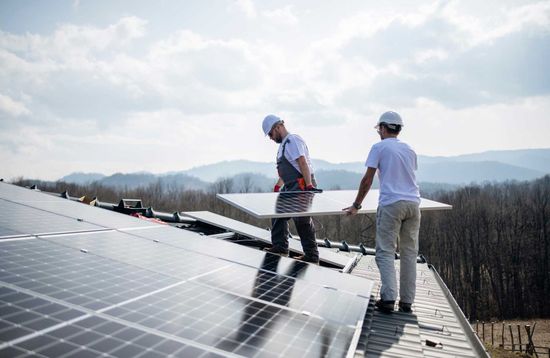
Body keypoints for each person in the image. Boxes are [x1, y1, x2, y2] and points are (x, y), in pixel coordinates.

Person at [344, 111, 421, 313]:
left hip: (391, 205)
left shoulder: (379, 147)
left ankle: (388, 299)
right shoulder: (410, 149)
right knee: (409, 254)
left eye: (380, 128)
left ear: (384, 128)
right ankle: (407, 301)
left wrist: (356, 205)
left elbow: (367, 180)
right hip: (414, 205)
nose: (379, 132)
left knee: (385, 252)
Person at [262, 114, 320, 264]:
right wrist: (278, 185)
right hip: (290, 185)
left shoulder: (293, 140)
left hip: (302, 184)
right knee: (278, 212)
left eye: (270, 134)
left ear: (277, 127)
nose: (270, 138)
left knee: (301, 219)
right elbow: (288, 169)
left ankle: (311, 255)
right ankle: (280, 247)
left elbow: (302, 163)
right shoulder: (283, 146)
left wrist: (308, 186)